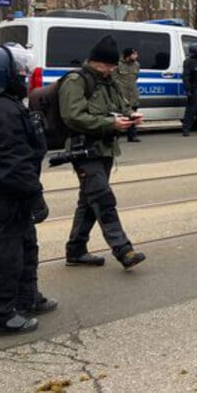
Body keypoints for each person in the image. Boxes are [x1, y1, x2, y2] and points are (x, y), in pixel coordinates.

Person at [60, 35, 146, 269]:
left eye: (112, 66)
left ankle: (76, 250)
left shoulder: (110, 81)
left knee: (89, 202)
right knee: (103, 199)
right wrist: (110, 123)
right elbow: (72, 116)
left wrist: (131, 116)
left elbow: (122, 105)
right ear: (93, 61)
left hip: (105, 149)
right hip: (83, 150)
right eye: (105, 66)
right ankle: (124, 250)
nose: (109, 70)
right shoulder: (76, 81)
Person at [0, 44, 56, 335]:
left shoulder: (4, 105)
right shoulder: (4, 111)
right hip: (6, 195)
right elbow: (15, 163)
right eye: (19, 72)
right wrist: (35, 196)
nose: (24, 77)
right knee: (7, 253)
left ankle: (26, 298)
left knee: (26, 245)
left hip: (8, 193)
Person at [115, 48, 141, 142]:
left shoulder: (136, 65)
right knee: (119, 115)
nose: (136, 56)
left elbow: (135, 78)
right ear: (128, 55)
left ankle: (132, 136)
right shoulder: (117, 65)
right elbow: (113, 79)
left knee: (133, 114)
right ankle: (115, 136)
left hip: (133, 94)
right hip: (122, 94)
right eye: (134, 54)